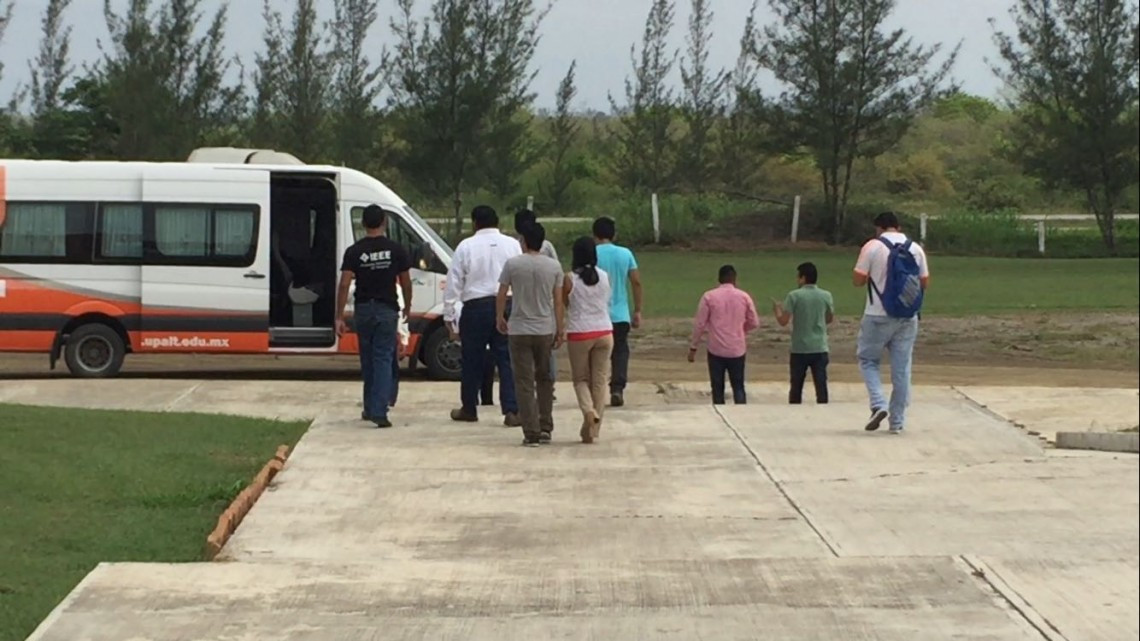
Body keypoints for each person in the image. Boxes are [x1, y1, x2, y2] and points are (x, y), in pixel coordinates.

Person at [442, 205, 522, 425]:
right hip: (506, 305)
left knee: (471, 359)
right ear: (497, 222)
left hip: (475, 307)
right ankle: (512, 410)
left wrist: (449, 316)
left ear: (475, 223)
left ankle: (469, 407)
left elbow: (454, 282)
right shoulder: (513, 245)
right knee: (506, 359)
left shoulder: (466, 246)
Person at [852, 211, 930, 434]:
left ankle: (878, 403)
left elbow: (858, 280)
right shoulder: (915, 248)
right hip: (907, 316)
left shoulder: (872, 247)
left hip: (877, 313)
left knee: (868, 360)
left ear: (879, 228)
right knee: (902, 369)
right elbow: (924, 282)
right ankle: (897, 422)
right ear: (898, 226)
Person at [334, 205, 412, 428]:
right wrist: (407, 305)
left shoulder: (354, 251)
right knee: (383, 359)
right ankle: (379, 410)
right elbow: (405, 281)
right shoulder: (396, 249)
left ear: (363, 224)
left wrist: (339, 316)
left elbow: (344, 284)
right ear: (385, 222)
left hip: (363, 310)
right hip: (387, 309)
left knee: (367, 358)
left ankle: (369, 407)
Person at [496, 223, 565, 447]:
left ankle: (531, 431)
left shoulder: (513, 264)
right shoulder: (554, 267)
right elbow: (558, 300)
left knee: (524, 381)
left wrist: (500, 317)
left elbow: (502, 292)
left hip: (519, 328)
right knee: (545, 378)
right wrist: (560, 328)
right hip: (544, 327)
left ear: (523, 241)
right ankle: (545, 425)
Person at [563, 236, 613, 444]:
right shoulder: (604, 276)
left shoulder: (569, 279)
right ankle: (591, 431)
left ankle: (588, 410)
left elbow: (566, 303)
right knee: (600, 381)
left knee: (581, 379)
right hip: (604, 331)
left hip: (580, 332)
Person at [688, 265, 759, 405]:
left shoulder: (709, 296)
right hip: (737, 348)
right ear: (734, 279)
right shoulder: (744, 296)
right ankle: (741, 413)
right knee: (738, 386)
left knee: (717, 387)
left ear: (719, 279)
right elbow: (754, 322)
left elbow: (700, 324)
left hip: (716, 349)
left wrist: (693, 347)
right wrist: (741, 330)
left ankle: (720, 409)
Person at [592, 216, 642, 408]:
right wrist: (637, 310)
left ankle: (596, 389)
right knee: (620, 351)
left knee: (597, 353)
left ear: (594, 234)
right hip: (620, 313)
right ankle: (617, 388)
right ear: (614, 234)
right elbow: (636, 282)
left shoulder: (592, 253)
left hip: (597, 313)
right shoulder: (625, 253)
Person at [772, 262, 834, 405]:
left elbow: (783, 321)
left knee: (796, 386)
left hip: (800, 347)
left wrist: (777, 310)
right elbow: (829, 318)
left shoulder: (794, 296)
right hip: (819, 346)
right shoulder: (826, 295)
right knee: (821, 385)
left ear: (803, 278)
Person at [515, 208, 560, 386]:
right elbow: (556, 269)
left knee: (523, 347)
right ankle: (548, 383)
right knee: (546, 348)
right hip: (545, 301)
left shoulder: (514, 244)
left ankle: (529, 383)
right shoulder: (546, 246)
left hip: (523, 300)